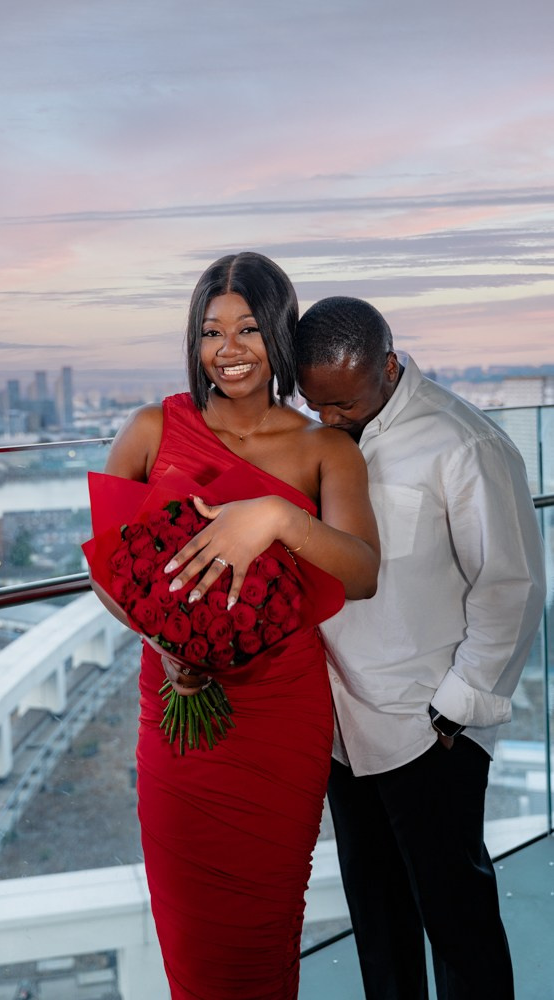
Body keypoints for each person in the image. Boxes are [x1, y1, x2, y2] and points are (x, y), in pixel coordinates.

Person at [96, 255, 380, 999]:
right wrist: (164, 644)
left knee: (263, 927)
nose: (229, 348)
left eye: (249, 328)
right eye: (211, 331)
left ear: (279, 334)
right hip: (174, 704)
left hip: (280, 711)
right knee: (192, 933)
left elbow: (360, 570)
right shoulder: (152, 428)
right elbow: (104, 565)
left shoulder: (326, 449)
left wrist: (278, 517)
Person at [295, 295, 546, 1000]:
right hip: (343, 731)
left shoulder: (463, 443)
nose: (331, 420)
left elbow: (511, 585)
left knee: (457, 925)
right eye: (317, 404)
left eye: (343, 402)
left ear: (387, 365)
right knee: (379, 926)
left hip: (426, 729)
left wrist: (452, 714)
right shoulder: (314, 437)